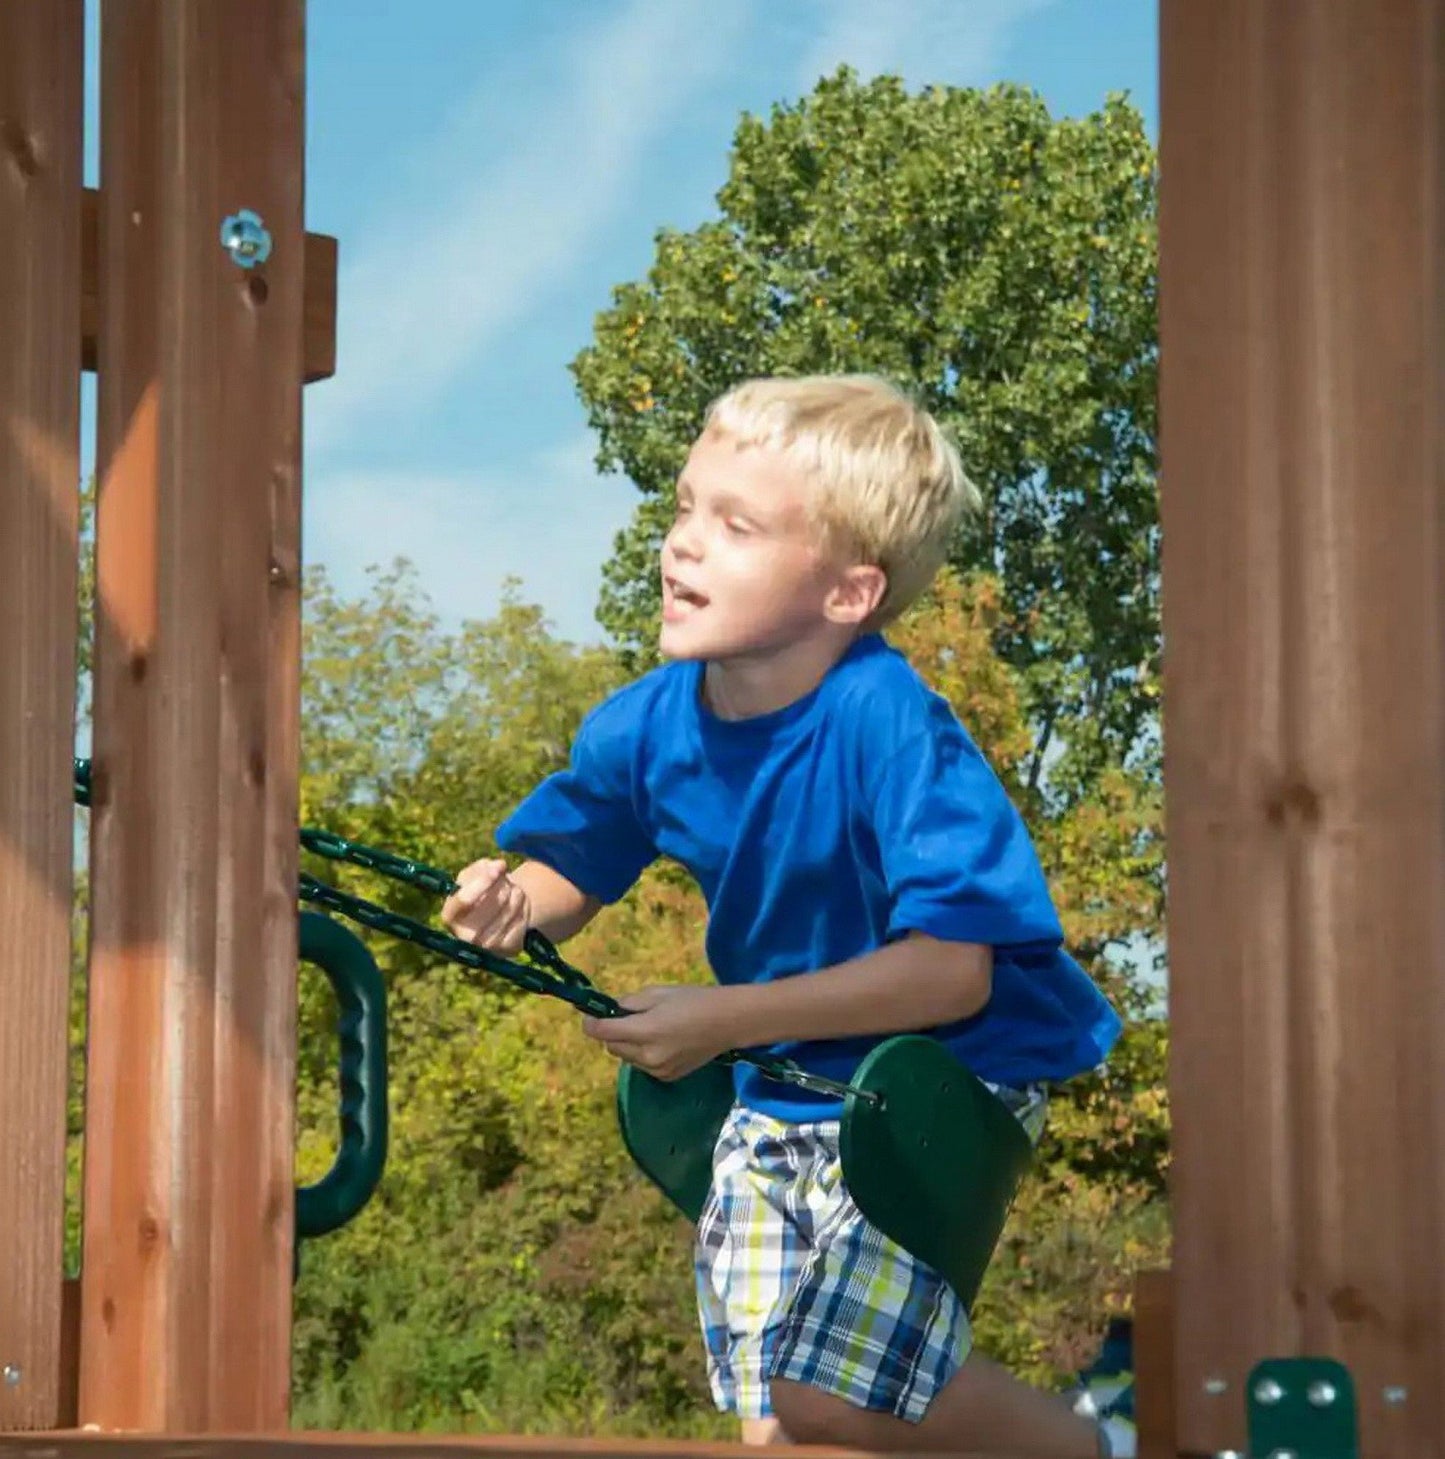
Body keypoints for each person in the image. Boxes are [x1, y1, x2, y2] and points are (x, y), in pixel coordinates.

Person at [442, 374, 1129, 1457]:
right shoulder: (648, 726)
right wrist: (513, 900)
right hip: (782, 1081)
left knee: (831, 1397)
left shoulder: (888, 726)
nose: (681, 545)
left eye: (734, 524)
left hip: (944, 1075)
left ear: (848, 593)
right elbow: (571, 862)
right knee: (777, 1419)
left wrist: (719, 1018)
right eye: (683, 506)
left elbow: (954, 973)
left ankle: (1101, 1443)